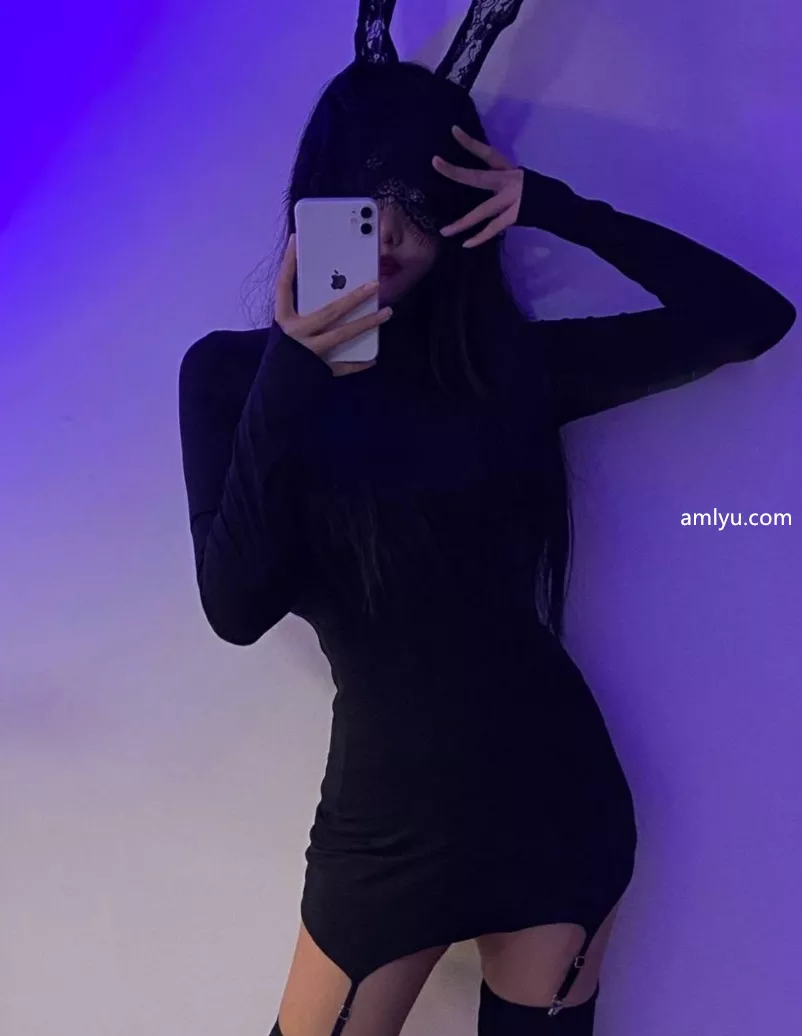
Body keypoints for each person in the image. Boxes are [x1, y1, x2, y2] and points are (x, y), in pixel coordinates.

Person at [177, 3, 796, 1034]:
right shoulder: (231, 378)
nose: (392, 235)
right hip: (384, 830)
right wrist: (294, 368)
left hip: (554, 802)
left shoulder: (502, 370)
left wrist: (554, 206)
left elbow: (751, 319)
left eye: (419, 203)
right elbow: (235, 607)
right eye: (364, 204)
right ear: (315, 205)